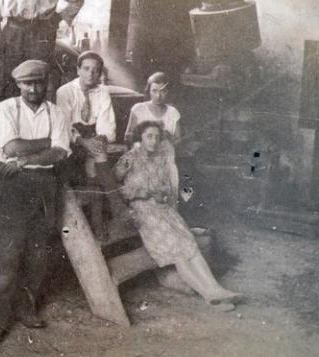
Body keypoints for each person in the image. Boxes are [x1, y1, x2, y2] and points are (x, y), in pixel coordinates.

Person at [0, 59, 71, 343]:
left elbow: (60, 153)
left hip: (46, 184)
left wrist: (24, 158)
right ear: (19, 84)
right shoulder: (5, 108)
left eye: (39, 83)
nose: (34, 88)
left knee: (38, 254)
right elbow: (10, 146)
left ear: (47, 83)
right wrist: (47, 142)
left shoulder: (57, 112)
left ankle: (25, 308)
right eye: (28, 83)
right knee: (6, 254)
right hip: (14, 185)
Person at [114, 121, 241, 305]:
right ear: (140, 138)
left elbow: (167, 188)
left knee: (189, 243)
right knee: (177, 249)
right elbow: (116, 187)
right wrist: (141, 193)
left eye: (157, 137)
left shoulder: (159, 159)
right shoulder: (129, 158)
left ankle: (216, 288)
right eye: (149, 136)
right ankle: (207, 293)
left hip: (162, 209)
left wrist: (161, 193)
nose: (153, 141)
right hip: (143, 211)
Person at [56, 51, 127, 239]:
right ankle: (115, 204)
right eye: (86, 69)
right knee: (97, 158)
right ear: (78, 70)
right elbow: (64, 126)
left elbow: (106, 122)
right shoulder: (65, 92)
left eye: (96, 70)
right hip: (72, 143)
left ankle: (98, 224)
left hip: (95, 140)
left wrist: (99, 139)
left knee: (94, 164)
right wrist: (83, 141)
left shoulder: (102, 91)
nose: (91, 74)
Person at [123, 72, 180, 204]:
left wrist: (167, 137)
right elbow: (128, 137)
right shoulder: (138, 109)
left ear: (168, 91)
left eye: (163, 91)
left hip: (164, 162)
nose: (158, 96)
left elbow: (178, 140)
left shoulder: (173, 112)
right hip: (141, 160)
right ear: (148, 90)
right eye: (154, 91)